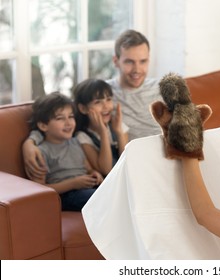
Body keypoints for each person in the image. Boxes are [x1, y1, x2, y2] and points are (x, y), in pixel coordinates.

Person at [23, 29, 162, 179]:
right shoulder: (105, 94)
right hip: (139, 163)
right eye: (129, 61)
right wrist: (30, 143)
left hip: (169, 154)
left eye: (143, 61)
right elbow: (60, 114)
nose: (137, 70)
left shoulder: (163, 87)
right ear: (116, 61)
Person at [29, 92, 104, 211]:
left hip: (86, 188)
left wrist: (95, 174)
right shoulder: (41, 151)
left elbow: (88, 168)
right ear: (43, 126)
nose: (68, 123)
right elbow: (39, 189)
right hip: (66, 195)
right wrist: (74, 183)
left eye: (71, 116)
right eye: (60, 118)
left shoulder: (75, 142)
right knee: (103, 198)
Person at [73, 78, 129, 176]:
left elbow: (127, 163)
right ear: (83, 108)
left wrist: (119, 132)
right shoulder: (82, 137)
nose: (106, 106)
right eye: (97, 102)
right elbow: (106, 170)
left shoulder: (117, 126)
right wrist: (103, 132)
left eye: (108, 99)